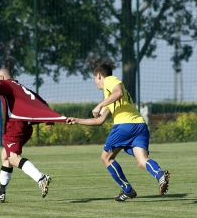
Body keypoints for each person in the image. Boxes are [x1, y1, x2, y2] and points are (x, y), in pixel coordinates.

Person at [67, 59, 170, 201]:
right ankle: (160, 175)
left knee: (106, 158)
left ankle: (127, 190)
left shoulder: (109, 80)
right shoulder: (109, 96)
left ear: (98, 76)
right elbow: (100, 120)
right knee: (142, 161)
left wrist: (99, 105)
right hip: (139, 125)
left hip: (124, 126)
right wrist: (78, 120)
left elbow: (118, 92)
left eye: (94, 79)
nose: (95, 82)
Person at [0, 67, 66, 202]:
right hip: (25, 126)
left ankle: (41, 178)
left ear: (1, 78)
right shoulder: (21, 87)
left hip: (15, 126)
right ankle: (0, 193)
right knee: (5, 155)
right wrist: (49, 118)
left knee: (13, 158)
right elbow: (40, 102)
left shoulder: (4, 83)